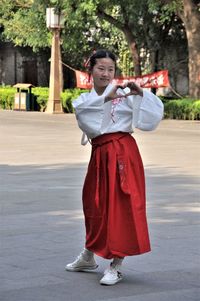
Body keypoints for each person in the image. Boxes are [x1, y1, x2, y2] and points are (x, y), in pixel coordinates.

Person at [65, 49, 164, 285]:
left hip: (123, 155)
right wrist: (106, 99)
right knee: (94, 204)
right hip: (100, 155)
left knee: (122, 207)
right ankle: (89, 255)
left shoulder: (124, 96)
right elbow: (86, 118)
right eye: (101, 69)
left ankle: (116, 265)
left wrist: (141, 95)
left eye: (111, 70)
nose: (106, 74)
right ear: (90, 72)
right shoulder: (83, 101)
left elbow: (150, 120)